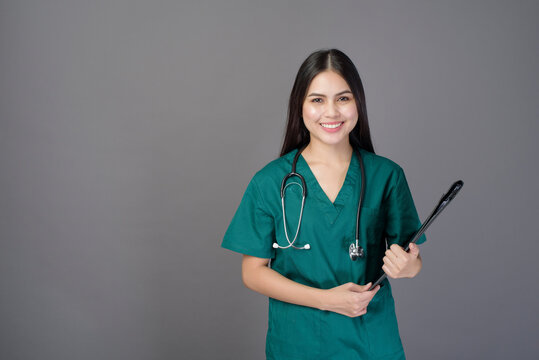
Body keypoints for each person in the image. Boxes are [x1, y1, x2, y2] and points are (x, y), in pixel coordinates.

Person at [222, 49, 425, 359]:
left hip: (371, 342)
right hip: (298, 343)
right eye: (317, 100)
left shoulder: (386, 176)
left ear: (358, 103)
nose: (331, 112)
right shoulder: (270, 182)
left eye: (343, 98)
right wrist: (326, 300)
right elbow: (252, 272)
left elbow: (410, 259)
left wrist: (410, 267)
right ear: (300, 107)